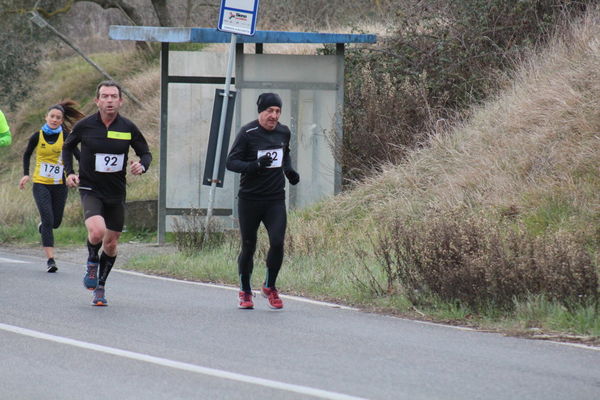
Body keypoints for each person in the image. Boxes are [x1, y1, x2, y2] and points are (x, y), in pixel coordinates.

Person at [62, 80, 152, 306]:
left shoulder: (128, 128)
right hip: (90, 187)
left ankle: (100, 286)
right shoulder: (85, 126)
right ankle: (92, 261)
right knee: (97, 231)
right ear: (97, 100)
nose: (109, 100)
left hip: (116, 191)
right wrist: (70, 172)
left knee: (111, 244)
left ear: (120, 101)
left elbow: (145, 153)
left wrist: (141, 166)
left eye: (114, 96)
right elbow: (67, 146)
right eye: (105, 96)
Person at [226, 92, 300, 310]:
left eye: (278, 111)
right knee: (249, 246)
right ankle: (245, 291)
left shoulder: (283, 132)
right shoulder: (247, 133)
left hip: (275, 198)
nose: (274, 116)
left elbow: (284, 154)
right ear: (261, 111)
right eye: (270, 111)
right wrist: (254, 166)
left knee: (277, 242)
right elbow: (231, 162)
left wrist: (289, 171)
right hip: (250, 199)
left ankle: (270, 286)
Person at [19, 100, 84, 272]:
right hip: (40, 183)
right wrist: (26, 174)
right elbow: (27, 154)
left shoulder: (67, 136)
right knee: (48, 219)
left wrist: (81, 174)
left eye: (58, 118)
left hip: (59, 184)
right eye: (52, 116)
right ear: (46, 117)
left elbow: (77, 155)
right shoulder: (37, 136)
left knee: (55, 222)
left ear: (62, 121)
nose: (54, 120)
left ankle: (43, 227)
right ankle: (51, 260)